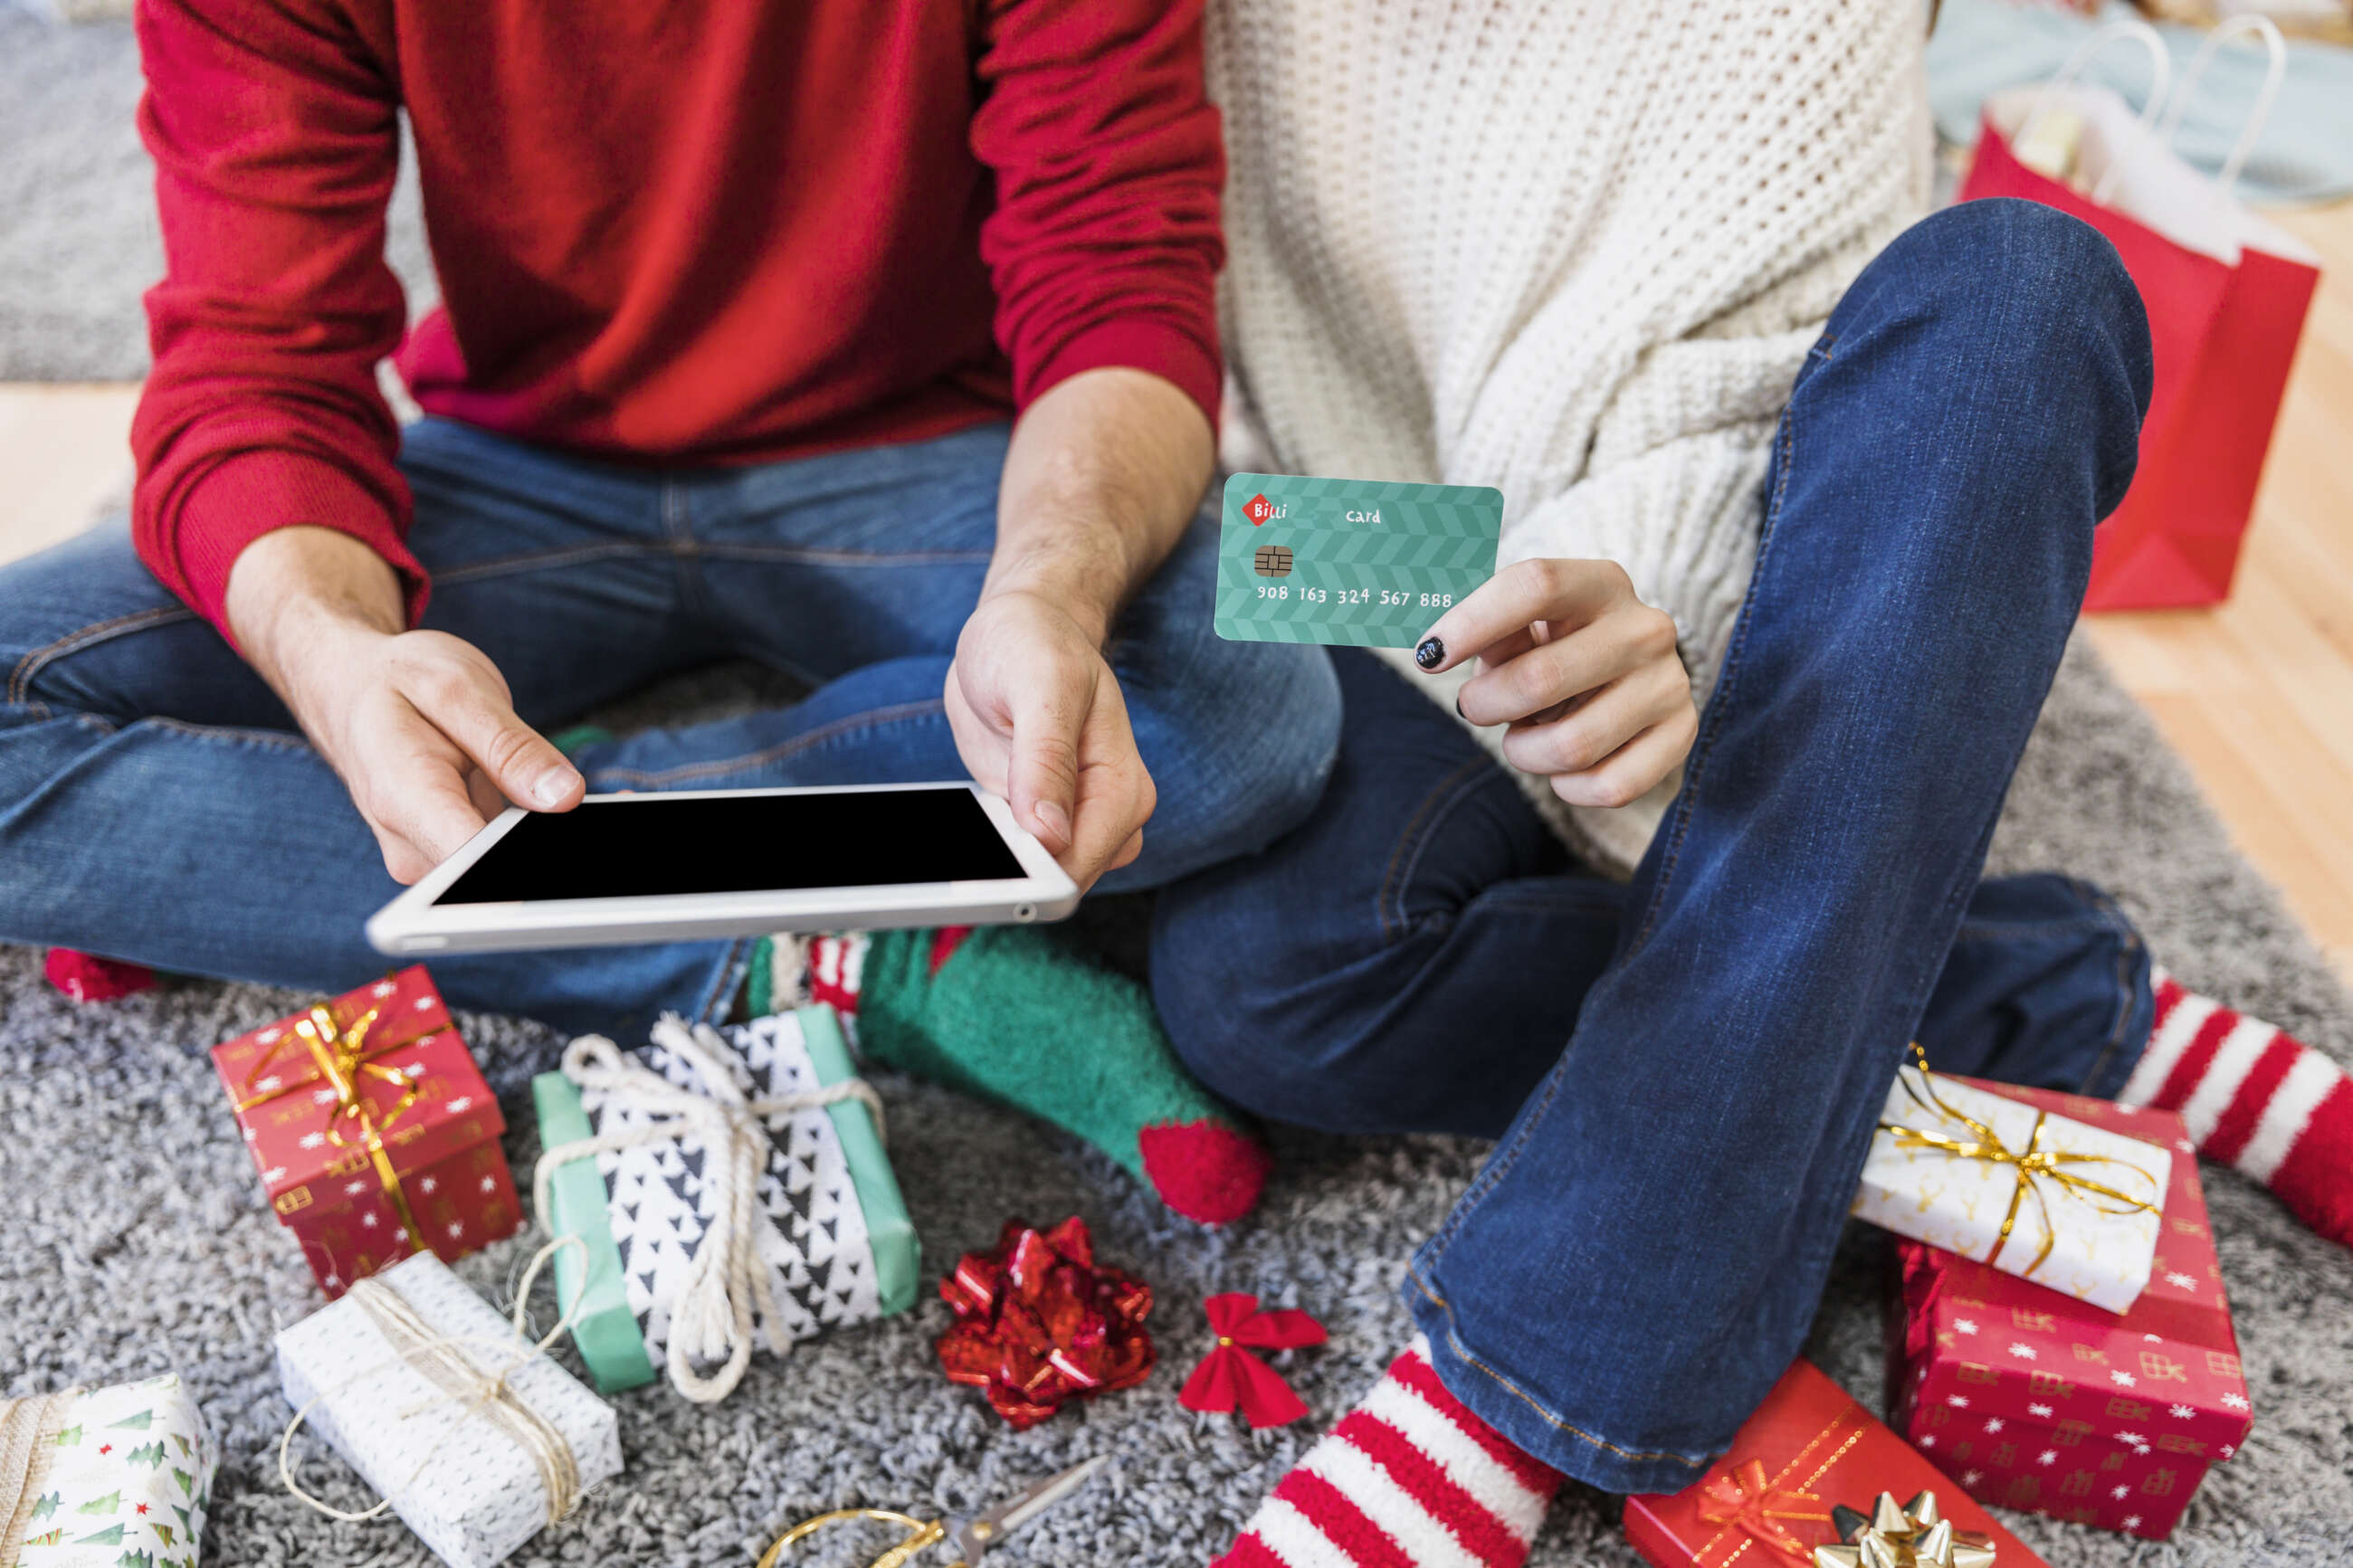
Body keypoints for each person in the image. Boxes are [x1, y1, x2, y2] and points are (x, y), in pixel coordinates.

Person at [1164, 3, 2353, 1563]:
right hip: (1377, 597)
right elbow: (1206, 441)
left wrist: (1635, 600)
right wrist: (1482, 599)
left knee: (2023, 299)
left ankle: (1516, 1383)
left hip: (1713, 610)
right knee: (1261, 988)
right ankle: (2054, 998)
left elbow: (1774, 414)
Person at [0, 0, 1337, 1024]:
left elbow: (1120, 284)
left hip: (928, 446)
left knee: (1258, 697)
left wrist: (1049, 588)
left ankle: (416, 873)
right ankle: (827, 949)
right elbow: (253, 361)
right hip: (517, 458)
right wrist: (336, 662)